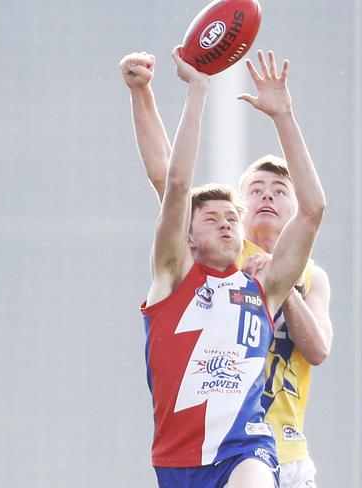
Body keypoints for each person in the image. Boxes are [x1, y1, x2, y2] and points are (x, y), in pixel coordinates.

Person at [120, 50, 332, 488]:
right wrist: (175, 90)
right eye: (212, 217)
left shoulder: (264, 284)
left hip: (248, 448)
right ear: (188, 237)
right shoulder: (173, 277)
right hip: (179, 458)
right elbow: (173, 182)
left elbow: (313, 210)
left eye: (232, 218)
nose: (226, 223)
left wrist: (283, 115)